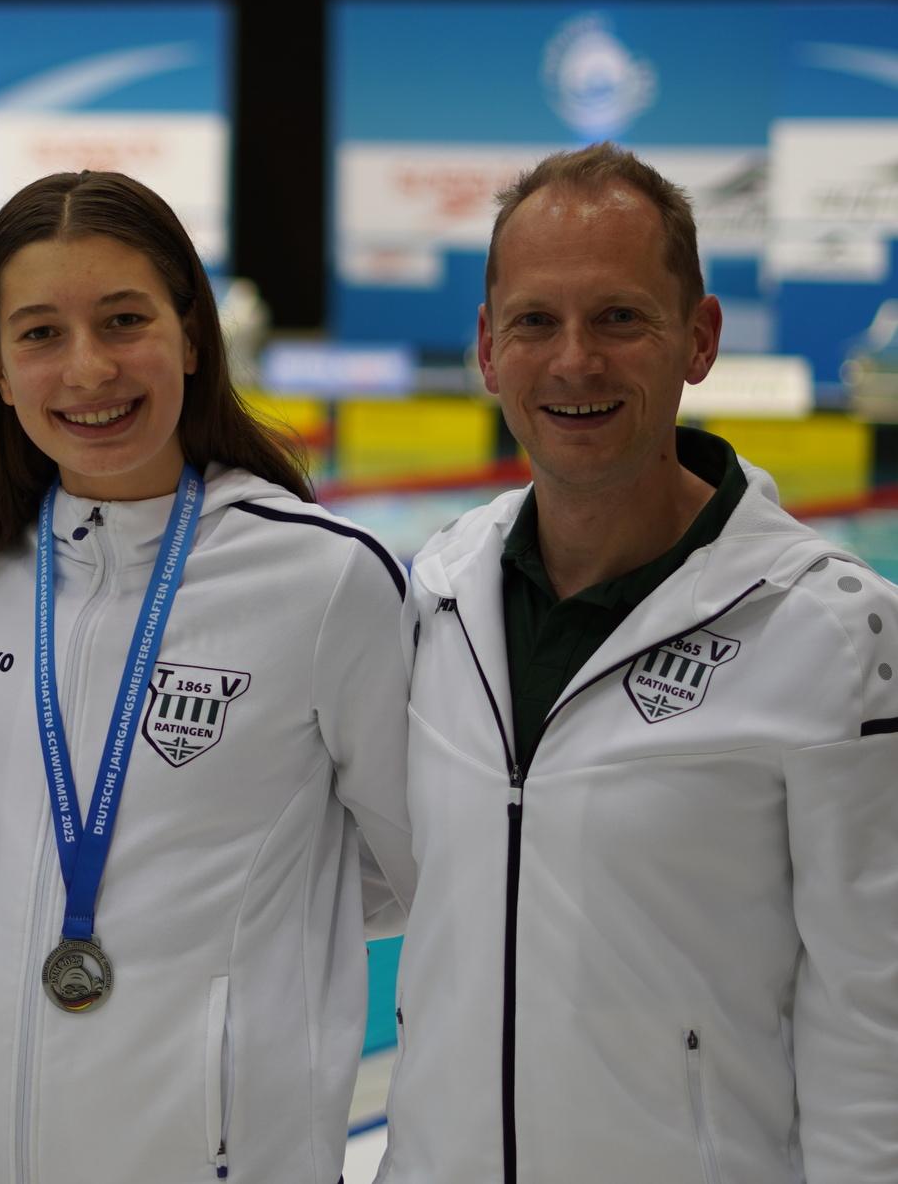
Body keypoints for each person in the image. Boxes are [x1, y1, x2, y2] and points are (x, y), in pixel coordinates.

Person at [378, 143, 898, 1183]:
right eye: (535, 321)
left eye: (619, 317)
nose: (575, 361)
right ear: (487, 348)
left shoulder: (838, 635)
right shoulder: (436, 593)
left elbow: (875, 1013)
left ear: (697, 339)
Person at [0, 170, 415, 1183]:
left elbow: (409, 864)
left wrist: (234, 967)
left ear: (190, 334)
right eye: (42, 332)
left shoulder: (322, 578)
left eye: (123, 319)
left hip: (213, 1150)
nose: (88, 367)